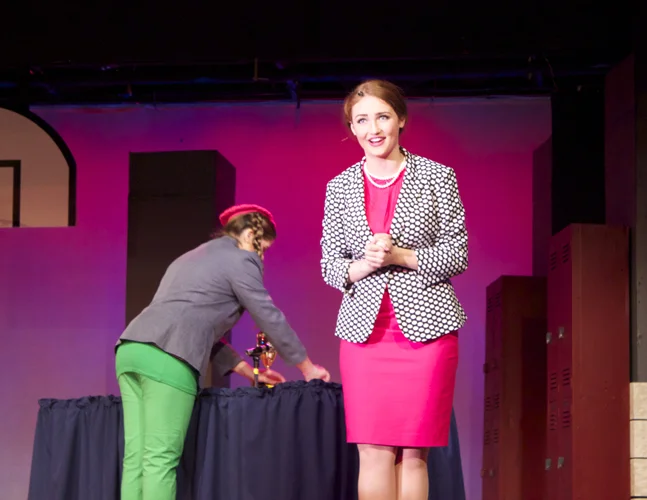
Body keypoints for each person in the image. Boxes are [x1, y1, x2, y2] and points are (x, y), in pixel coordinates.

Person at [115, 204, 330, 500]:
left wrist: (247, 371)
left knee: (136, 459)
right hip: (169, 357)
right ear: (251, 234)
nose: (261, 257)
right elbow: (268, 316)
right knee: (159, 460)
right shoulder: (242, 259)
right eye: (263, 249)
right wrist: (307, 367)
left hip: (132, 348)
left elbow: (196, 324)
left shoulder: (192, 256)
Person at [320, 80, 468, 500]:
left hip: (427, 334)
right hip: (365, 337)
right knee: (373, 451)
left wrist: (400, 255)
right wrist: (365, 264)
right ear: (352, 128)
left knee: (414, 455)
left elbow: (457, 253)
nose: (373, 129)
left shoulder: (438, 176)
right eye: (361, 120)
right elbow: (330, 265)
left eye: (382, 117)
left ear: (400, 119)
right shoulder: (339, 187)